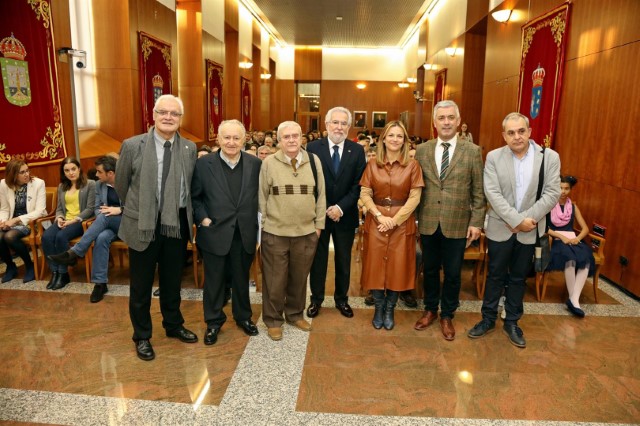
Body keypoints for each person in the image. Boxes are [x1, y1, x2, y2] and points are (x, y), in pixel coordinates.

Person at [115, 94, 199, 361]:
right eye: (163, 112)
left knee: (172, 281)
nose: (168, 117)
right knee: (140, 285)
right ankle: (142, 335)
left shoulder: (189, 148)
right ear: (153, 114)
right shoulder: (132, 145)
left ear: (180, 119)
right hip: (143, 225)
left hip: (175, 227)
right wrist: (142, 210)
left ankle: (173, 325)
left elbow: (190, 186)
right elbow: (121, 185)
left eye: (174, 114)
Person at [467, 112, 560, 348]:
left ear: (529, 132)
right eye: (511, 132)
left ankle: (512, 322)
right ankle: (487, 319)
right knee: (495, 275)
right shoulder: (494, 158)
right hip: (501, 227)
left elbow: (552, 193)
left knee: (519, 278)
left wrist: (527, 220)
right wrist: (515, 219)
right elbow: (492, 193)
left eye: (521, 131)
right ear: (504, 136)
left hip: (530, 229)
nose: (516, 136)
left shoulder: (549, 157)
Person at [414, 100, 485, 341]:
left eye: (450, 117)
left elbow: (478, 191)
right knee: (430, 269)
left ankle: (447, 315)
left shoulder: (473, 151)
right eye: (441, 118)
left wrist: (476, 222)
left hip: (458, 223)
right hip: (428, 220)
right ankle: (431, 310)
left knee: (453, 273)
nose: (446, 122)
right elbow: (417, 187)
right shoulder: (422, 150)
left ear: (458, 121)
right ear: (434, 122)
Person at [191, 119, 262, 345]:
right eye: (227, 137)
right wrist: (203, 219)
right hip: (214, 232)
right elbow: (195, 197)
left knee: (242, 278)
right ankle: (213, 322)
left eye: (236, 138)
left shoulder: (255, 164)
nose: (231, 142)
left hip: (244, 232)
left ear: (244, 140)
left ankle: (243, 317)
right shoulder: (203, 164)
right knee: (214, 281)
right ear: (218, 139)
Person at [259, 120, 326, 341]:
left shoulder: (314, 162)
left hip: (306, 234)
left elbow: (321, 196)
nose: (291, 140)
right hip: (275, 233)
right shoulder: (269, 163)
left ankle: (295, 314)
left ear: (301, 138)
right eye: (286, 137)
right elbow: (262, 197)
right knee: (274, 280)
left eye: (295, 136)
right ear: (279, 140)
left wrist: (318, 226)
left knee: (299, 278)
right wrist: (266, 226)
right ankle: (273, 319)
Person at [359, 120, 424, 330]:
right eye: (391, 135)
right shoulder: (372, 164)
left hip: (402, 224)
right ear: (383, 139)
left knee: (398, 267)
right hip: (377, 222)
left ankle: (389, 309)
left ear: (404, 140)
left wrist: (394, 220)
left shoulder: (412, 165)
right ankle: (378, 307)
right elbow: (365, 193)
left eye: (399, 136)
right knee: (375, 267)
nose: (395, 139)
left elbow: (415, 197)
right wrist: (379, 216)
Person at [306, 107, 366, 319]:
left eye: (343, 124)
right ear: (326, 124)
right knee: (318, 260)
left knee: (343, 260)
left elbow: (358, 185)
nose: (339, 127)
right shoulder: (312, 147)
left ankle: (342, 300)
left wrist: (340, 207)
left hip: (345, 215)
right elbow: (309, 183)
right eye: (335, 122)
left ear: (349, 127)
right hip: (318, 217)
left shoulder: (357, 151)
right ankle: (316, 300)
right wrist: (324, 209)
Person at [47, 156, 122, 303]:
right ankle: (100, 284)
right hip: (109, 224)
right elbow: (96, 208)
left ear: (110, 173)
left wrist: (119, 209)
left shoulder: (127, 183)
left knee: (105, 217)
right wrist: (106, 213)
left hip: (128, 222)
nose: (96, 175)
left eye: (99, 172)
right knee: (101, 237)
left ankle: (76, 251)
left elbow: (138, 207)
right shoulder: (100, 185)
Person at [42, 157, 96, 290]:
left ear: (79, 169)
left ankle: (63, 273)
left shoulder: (90, 184)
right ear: (63, 172)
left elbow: (90, 209)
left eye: (73, 169)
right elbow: (60, 208)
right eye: (67, 170)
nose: (71, 173)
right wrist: (59, 218)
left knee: (61, 237)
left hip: (79, 221)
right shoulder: (62, 186)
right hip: (64, 220)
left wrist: (73, 220)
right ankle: (55, 272)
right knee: (47, 237)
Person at [546, 175, 595, 317]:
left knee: (585, 259)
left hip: (573, 239)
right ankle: (574, 301)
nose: (563, 191)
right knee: (570, 259)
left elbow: (585, 228)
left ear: (570, 190)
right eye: (560, 188)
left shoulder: (573, 206)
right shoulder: (549, 204)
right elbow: (544, 228)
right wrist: (561, 237)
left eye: (566, 189)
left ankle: (574, 298)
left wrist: (577, 238)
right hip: (556, 240)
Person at [0, 160, 47, 283]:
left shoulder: (38, 183)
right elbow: (4, 208)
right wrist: (3, 221)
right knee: (0, 236)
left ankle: (29, 265)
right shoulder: (4, 184)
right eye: (22, 172)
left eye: (27, 170)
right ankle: (11, 267)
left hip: (32, 222)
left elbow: (40, 211)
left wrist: (15, 220)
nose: (27, 174)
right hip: (12, 221)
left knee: (10, 237)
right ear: (13, 174)